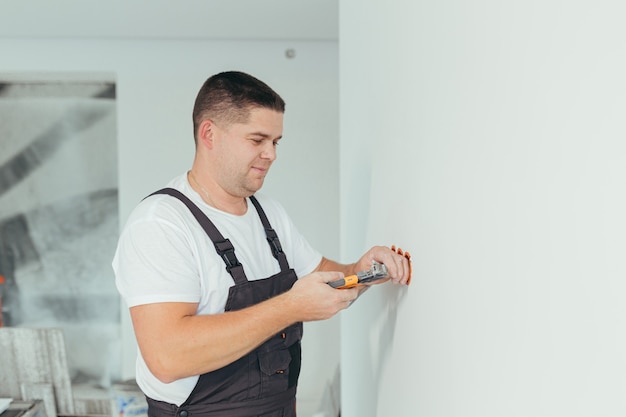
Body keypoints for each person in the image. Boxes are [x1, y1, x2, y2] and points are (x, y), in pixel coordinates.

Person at [112, 71, 411, 417]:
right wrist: (290, 307)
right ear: (209, 134)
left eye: (276, 141)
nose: (271, 154)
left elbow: (326, 281)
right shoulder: (162, 224)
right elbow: (166, 356)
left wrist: (363, 271)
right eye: (257, 140)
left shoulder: (269, 213)